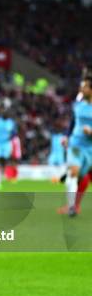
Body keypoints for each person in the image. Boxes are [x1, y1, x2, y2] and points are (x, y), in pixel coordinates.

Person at [58, 77, 92, 217]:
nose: (81, 90)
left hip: (90, 148)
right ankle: (72, 207)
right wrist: (66, 136)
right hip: (76, 144)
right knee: (74, 171)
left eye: (84, 87)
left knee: (81, 177)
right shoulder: (78, 105)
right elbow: (72, 122)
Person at [0, 110, 17, 189]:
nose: (5, 114)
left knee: (4, 160)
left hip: (6, 144)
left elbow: (14, 132)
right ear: (1, 114)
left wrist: (10, 138)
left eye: (6, 113)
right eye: (3, 113)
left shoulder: (11, 122)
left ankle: (1, 175)